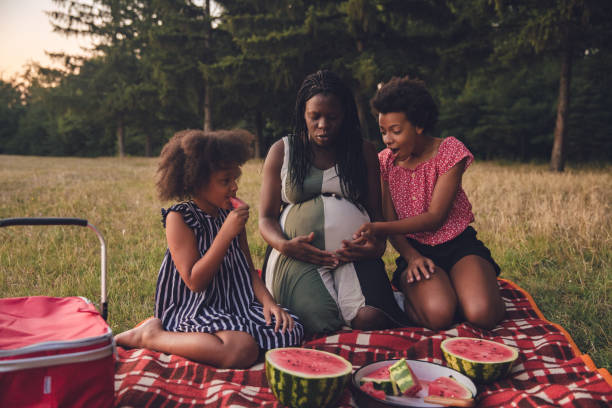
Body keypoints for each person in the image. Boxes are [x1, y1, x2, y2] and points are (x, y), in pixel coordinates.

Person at [115, 129, 303, 368]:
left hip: (235, 303)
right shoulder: (180, 218)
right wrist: (225, 233)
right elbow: (195, 281)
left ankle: (219, 342)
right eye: (225, 181)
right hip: (195, 307)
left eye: (235, 178)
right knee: (241, 349)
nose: (234, 187)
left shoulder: (231, 214)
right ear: (197, 181)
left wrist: (269, 302)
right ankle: (151, 336)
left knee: (290, 330)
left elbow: (246, 267)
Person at [259, 70, 409, 335]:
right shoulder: (283, 151)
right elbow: (266, 218)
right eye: (314, 116)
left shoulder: (362, 151)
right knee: (319, 323)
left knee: (370, 318)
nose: (323, 125)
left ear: (345, 116)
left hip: (353, 256)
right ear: (302, 114)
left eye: (332, 117)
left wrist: (375, 248)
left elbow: (375, 213)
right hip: (297, 256)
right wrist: (285, 245)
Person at [355, 76, 506, 330]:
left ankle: (476, 288)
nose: (387, 140)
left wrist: (378, 228)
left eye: (395, 131)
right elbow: (391, 220)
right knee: (439, 316)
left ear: (419, 125)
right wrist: (412, 257)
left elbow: (436, 216)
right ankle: (425, 294)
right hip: (414, 249)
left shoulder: (449, 152)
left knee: (482, 315)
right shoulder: (385, 163)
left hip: (458, 246)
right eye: (383, 131)